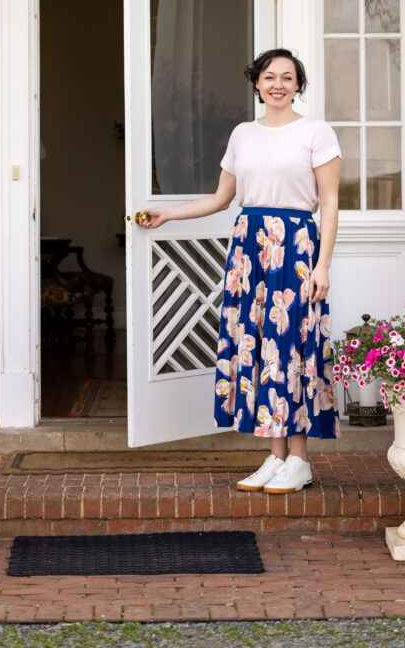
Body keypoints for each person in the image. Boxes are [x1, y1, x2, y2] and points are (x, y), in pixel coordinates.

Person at [137, 48, 341, 494]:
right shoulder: (243, 134)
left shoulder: (316, 132)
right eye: (270, 76)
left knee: (293, 346)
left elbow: (329, 204)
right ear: (256, 82)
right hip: (249, 252)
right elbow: (219, 199)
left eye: (288, 77)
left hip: (296, 249)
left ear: (298, 85)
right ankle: (275, 456)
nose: (278, 84)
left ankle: (300, 461)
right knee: (263, 349)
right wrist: (167, 215)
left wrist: (323, 265)